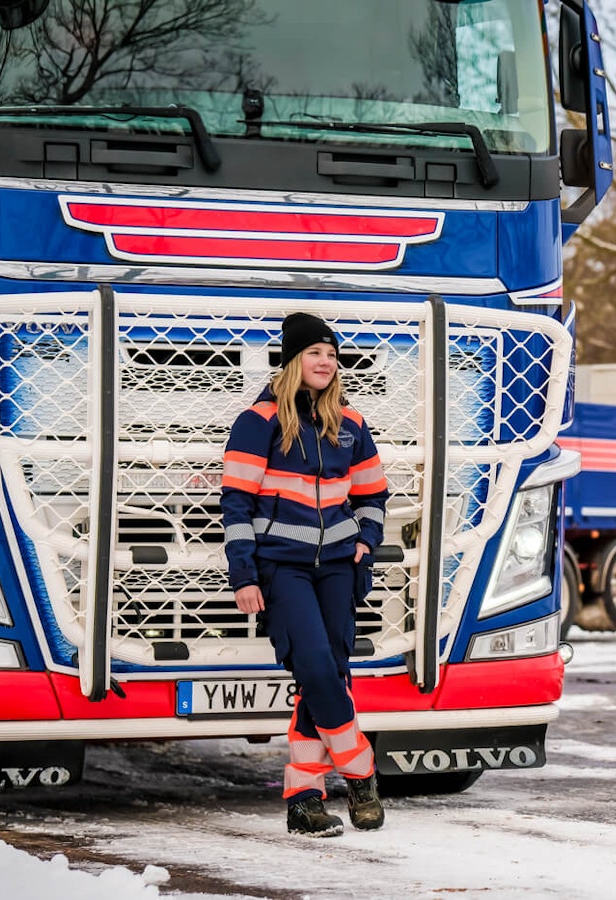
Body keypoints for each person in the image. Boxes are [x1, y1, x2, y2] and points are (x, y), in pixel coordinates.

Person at [221, 312, 389, 837]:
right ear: (293, 361)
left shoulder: (351, 423)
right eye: (314, 353)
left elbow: (373, 494)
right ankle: (361, 773)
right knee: (315, 667)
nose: (325, 362)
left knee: (330, 675)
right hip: (281, 567)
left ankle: (304, 800)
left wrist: (365, 540)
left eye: (332, 355)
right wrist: (244, 574)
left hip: (339, 567)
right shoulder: (259, 421)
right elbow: (236, 502)